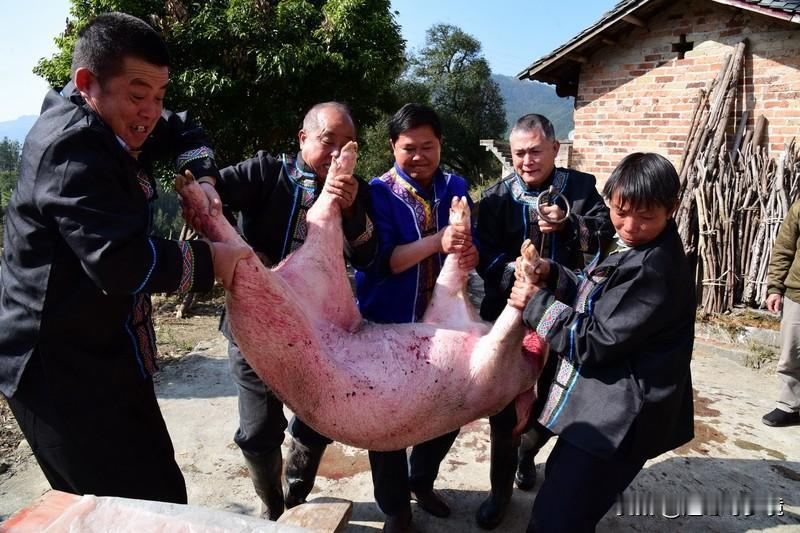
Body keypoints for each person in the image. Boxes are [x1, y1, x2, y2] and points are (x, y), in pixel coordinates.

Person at [0, 12, 246, 504]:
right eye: (138, 95)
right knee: (115, 506)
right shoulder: (71, 150)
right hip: (56, 367)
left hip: (111, 345)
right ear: (87, 83)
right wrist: (215, 260)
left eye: (159, 95)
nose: (150, 112)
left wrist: (202, 177)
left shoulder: (119, 118)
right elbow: (120, 263)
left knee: (161, 492)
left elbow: (183, 127)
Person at [508, 152, 695, 532]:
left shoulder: (654, 270)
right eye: (620, 211)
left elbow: (593, 340)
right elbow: (595, 294)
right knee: (562, 485)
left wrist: (536, 302)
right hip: (604, 400)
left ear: (672, 208)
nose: (630, 226)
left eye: (645, 216)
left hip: (622, 415)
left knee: (558, 519)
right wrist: (551, 273)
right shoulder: (627, 244)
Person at [212, 102, 378, 519]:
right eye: (328, 141)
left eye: (346, 145)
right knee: (257, 431)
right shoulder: (265, 172)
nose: (336, 154)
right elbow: (210, 192)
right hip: (255, 329)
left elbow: (367, 256)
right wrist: (237, 251)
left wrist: (352, 210)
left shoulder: (356, 190)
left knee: (319, 418)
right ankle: (271, 507)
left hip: (319, 331)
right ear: (303, 138)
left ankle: (296, 493)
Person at [474, 113, 613, 529]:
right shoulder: (497, 197)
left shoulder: (581, 188)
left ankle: (527, 452)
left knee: (556, 399)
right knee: (502, 411)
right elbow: (484, 255)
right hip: (509, 316)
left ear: (555, 149)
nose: (527, 160)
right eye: (519, 153)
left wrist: (570, 225)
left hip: (564, 317)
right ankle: (499, 494)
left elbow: (605, 233)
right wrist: (516, 273)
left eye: (536, 151)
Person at [354, 103, 478, 533]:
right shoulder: (378, 193)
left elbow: (469, 246)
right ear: (393, 146)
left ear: (441, 144)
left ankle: (420, 480)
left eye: (428, 146)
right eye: (409, 148)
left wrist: (469, 253)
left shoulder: (455, 187)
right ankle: (395, 508)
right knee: (387, 419)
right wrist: (439, 240)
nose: (420, 156)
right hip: (388, 323)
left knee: (451, 406)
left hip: (443, 324)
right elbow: (385, 262)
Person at [762, 200, 800, 427]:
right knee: (791, 353)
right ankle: (789, 405)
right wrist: (775, 287)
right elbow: (784, 248)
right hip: (797, 293)